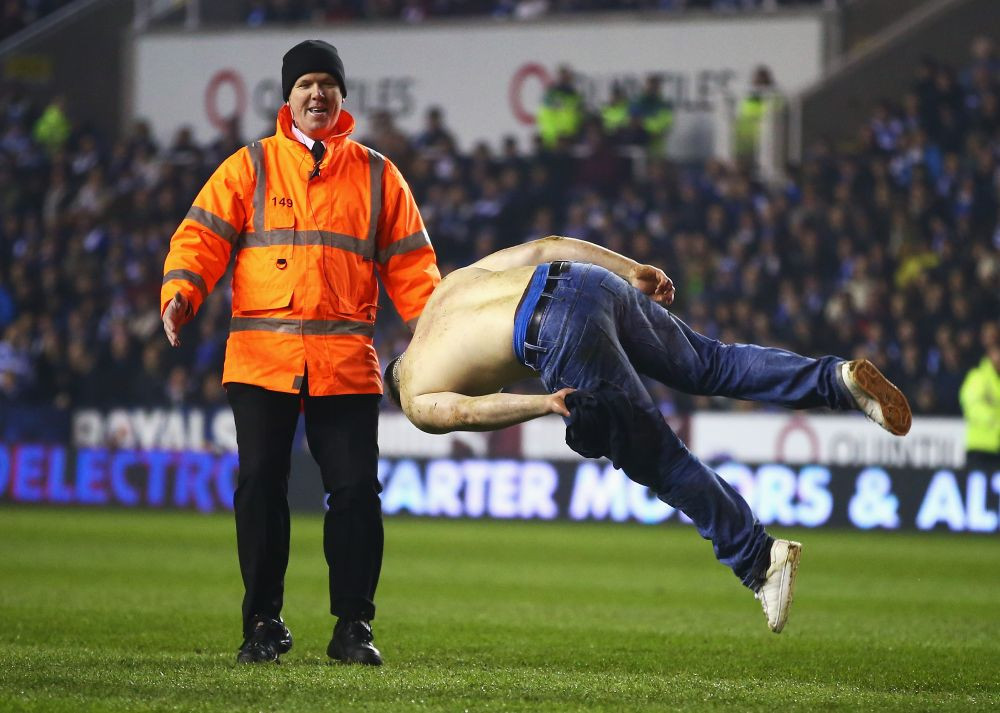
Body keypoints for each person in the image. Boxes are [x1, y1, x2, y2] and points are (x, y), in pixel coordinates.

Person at [385, 236, 911, 634]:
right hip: (584, 279)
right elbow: (547, 245)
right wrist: (632, 269)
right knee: (711, 364)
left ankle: (759, 559)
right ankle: (837, 381)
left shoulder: (413, 397)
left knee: (659, 459)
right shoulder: (445, 291)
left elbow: (469, 413)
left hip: (550, 327)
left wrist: (544, 403)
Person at [161, 39, 441, 666]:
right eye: (306, 83)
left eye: (328, 84)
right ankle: (262, 621)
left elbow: (415, 270)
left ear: (343, 97)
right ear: (287, 98)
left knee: (357, 495)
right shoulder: (250, 166)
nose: (318, 94)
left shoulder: (377, 174)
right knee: (261, 487)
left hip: (344, 367)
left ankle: (352, 628)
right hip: (261, 363)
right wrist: (182, 290)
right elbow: (200, 238)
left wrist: (437, 337)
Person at [959, 342, 1000, 471]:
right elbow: (972, 407)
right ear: (989, 355)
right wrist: (996, 420)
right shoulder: (978, 377)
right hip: (980, 447)